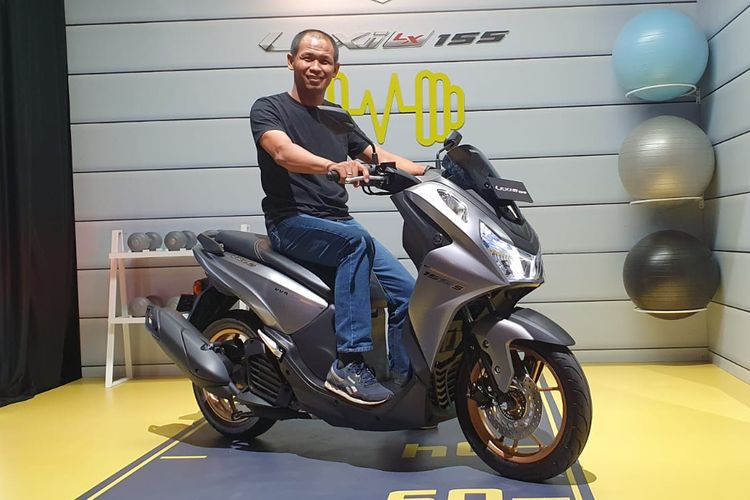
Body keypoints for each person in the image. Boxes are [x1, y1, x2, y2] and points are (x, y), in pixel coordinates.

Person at [250, 29, 426, 405]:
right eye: (307, 58)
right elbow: (283, 152)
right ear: (291, 61)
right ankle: (348, 365)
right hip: (291, 222)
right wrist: (332, 166)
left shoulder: (336, 116)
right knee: (355, 242)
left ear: (336, 69)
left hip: (338, 223)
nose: (315, 66)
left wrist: (426, 171)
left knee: (407, 293)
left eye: (324, 60)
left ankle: (402, 382)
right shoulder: (269, 108)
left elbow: (375, 154)